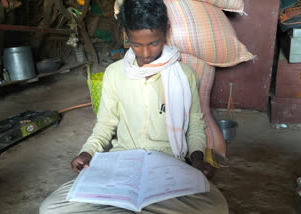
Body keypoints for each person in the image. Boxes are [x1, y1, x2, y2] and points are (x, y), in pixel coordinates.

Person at [40, 0, 228, 213]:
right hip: (122, 163)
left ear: (165, 32)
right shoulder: (114, 73)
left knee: (216, 207)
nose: (146, 54)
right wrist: (87, 152)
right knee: (51, 208)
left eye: (154, 43)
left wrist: (197, 159)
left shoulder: (184, 76)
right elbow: (105, 124)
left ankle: (126, 205)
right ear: (126, 36)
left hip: (167, 164)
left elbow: (195, 124)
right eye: (137, 44)